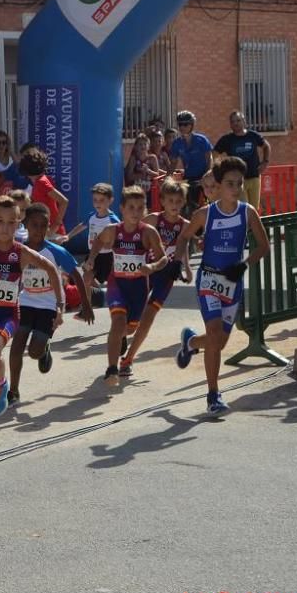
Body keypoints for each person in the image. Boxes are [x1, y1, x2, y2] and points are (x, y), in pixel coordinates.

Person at [174, 157, 270, 414]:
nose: (236, 188)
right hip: (209, 280)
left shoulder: (248, 212)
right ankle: (213, 395)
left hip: (233, 284)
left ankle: (191, 342)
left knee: (220, 341)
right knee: (215, 333)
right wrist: (178, 263)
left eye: (239, 183)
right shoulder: (205, 214)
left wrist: (244, 265)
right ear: (218, 184)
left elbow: (264, 246)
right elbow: (184, 237)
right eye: (230, 183)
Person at [0, 194, 63, 438]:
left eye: (11, 223)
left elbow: (50, 268)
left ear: (18, 225)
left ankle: (0, 384)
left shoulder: (21, 252)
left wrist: (59, 304)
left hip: (7, 315)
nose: (5, 228)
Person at [8, 203, 93, 405]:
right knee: (18, 342)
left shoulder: (55, 251)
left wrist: (86, 305)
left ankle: (43, 349)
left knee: (34, 351)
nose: (39, 230)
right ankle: (13, 391)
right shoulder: (19, 249)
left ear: (48, 227)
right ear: (25, 225)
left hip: (48, 305)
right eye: (34, 225)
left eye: (43, 226)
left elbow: (77, 275)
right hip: (26, 301)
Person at [83, 186, 168, 387]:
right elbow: (97, 242)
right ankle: (112, 369)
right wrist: (91, 260)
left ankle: (120, 335)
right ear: (122, 208)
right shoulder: (113, 230)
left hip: (139, 288)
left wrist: (153, 266)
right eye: (131, 207)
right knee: (118, 321)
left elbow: (164, 258)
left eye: (140, 208)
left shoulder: (148, 233)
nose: (135, 212)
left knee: (128, 330)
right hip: (117, 284)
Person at [121, 178, 190, 375]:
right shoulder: (152, 220)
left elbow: (182, 245)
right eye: (170, 201)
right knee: (131, 323)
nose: (174, 205)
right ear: (162, 201)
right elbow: (133, 233)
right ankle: (123, 334)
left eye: (178, 201)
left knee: (149, 316)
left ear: (183, 202)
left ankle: (128, 359)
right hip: (145, 271)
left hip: (165, 276)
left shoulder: (185, 225)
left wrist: (184, 266)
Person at [213, 111, 270, 212]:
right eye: (233, 121)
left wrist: (265, 162)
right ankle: (245, 227)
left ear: (244, 121)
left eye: (238, 120)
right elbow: (214, 153)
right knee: (244, 207)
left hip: (254, 176)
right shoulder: (227, 139)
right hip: (237, 181)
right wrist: (221, 167)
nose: (236, 123)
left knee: (254, 209)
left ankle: (252, 227)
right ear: (230, 124)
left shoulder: (253, 135)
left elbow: (266, 146)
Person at [67, 183, 120, 290]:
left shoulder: (113, 220)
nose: (97, 203)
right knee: (86, 278)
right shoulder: (91, 216)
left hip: (107, 256)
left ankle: (103, 291)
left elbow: (118, 238)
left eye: (102, 200)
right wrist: (68, 236)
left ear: (110, 200)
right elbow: (82, 225)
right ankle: (91, 300)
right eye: (95, 200)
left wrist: (107, 245)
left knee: (109, 280)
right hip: (92, 255)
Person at [170, 111, 213, 215]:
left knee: (210, 203)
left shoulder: (201, 140)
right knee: (190, 205)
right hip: (190, 177)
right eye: (180, 124)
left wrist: (208, 174)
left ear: (192, 125)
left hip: (204, 176)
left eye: (185, 124)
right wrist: (168, 177)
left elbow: (209, 158)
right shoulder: (177, 143)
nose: (182, 127)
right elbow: (173, 163)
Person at [21, 147, 68, 237]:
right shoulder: (42, 180)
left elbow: (64, 201)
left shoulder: (41, 182)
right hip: (44, 230)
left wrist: (56, 226)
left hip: (51, 232)